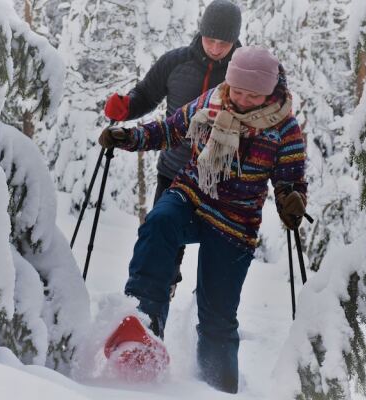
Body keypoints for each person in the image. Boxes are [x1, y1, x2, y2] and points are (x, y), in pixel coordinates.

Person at [99, 46, 308, 393]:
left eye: (252, 94)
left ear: (269, 92)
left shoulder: (284, 128)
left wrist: (291, 198)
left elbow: (291, 177)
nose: (240, 99)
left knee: (217, 319)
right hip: (194, 193)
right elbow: (170, 131)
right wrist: (129, 137)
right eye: (237, 89)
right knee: (159, 222)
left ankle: (217, 387)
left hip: (236, 221)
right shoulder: (212, 101)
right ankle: (144, 326)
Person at [103, 0, 243, 298]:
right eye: (210, 39)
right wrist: (126, 107)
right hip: (174, 172)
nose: (216, 48)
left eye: (224, 42)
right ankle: (156, 304)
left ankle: (205, 312)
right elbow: (146, 94)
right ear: (200, 32)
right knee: (162, 247)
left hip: (223, 179)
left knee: (217, 260)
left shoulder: (243, 71)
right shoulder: (175, 62)